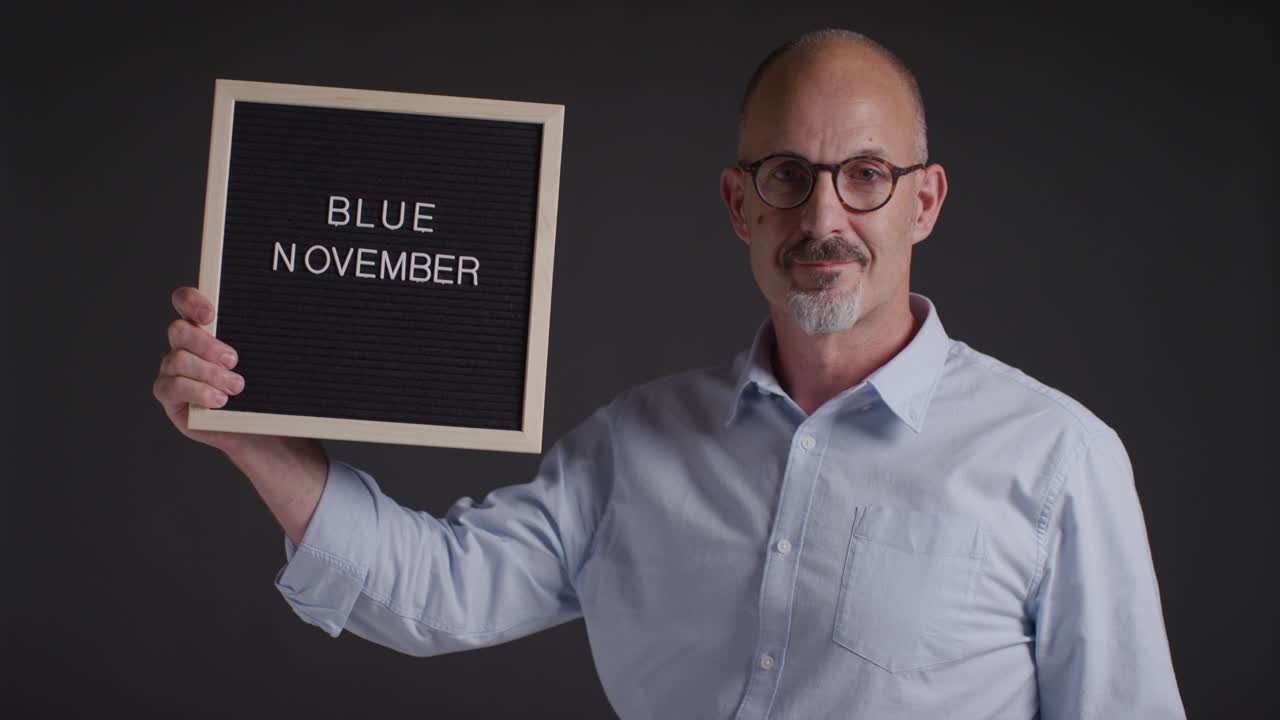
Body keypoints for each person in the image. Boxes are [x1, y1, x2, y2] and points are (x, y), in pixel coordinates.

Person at [153, 29, 1185, 719]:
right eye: (787, 176)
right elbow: (437, 592)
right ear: (739, 203)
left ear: (923, 203)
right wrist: (252, 436)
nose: (823, 218)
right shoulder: (633, 446)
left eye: (865, 176)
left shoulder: (1054, 459)